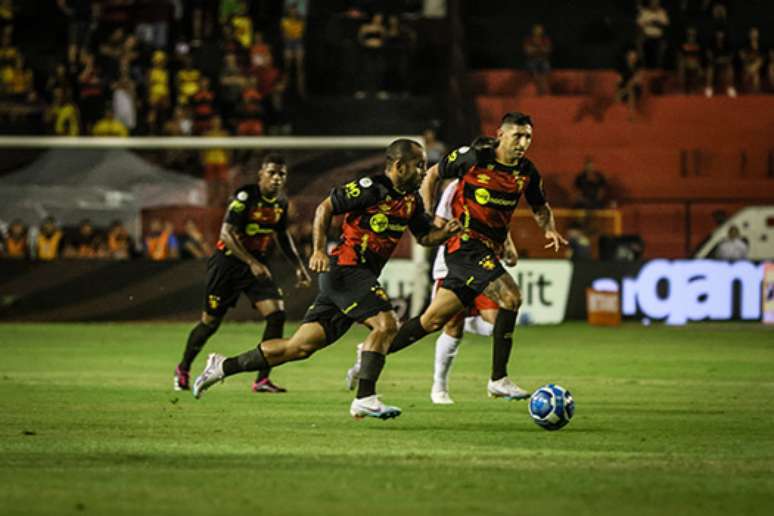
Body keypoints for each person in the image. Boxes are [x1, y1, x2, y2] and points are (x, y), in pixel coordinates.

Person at [191, 140, 462, 419]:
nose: (424, 171)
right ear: (398, 166)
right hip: (345, 270)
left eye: (425, 165)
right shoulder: (371, 188)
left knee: (298, 348)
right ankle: (365, 398)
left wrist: (448, 232)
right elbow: (324, 208)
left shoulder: (412, 200)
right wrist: (319, 249)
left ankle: (222, 366)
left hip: (357, 276)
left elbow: (425, 237)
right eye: (419, 165)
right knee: (386, 323)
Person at [348, 113, 567, 402]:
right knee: (511, 298)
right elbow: (433, 174)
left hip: (488, 249)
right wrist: (424, 213)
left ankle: (367, 355)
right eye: (517, 136)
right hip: (465, 246)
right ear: (500, 134)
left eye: (527, 136)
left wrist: (549, 229)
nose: (523, 142)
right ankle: (498, 379)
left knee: (431, 321)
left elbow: (540, 206)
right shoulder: (474, 157)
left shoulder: (527, 171)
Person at [176, 154, 313, 394]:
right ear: (261, 174)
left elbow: (282, 236)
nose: (276, 178)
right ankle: (183, 368)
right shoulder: (245, 197)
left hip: (255, 266)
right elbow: (226, 235)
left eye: (281, 174)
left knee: (277, 314)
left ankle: (262, 379)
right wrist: (251, 261)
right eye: (271, 173)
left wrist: (299, 266)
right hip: (227, 265)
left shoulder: (280, 203)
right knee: (210, 323)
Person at [636, 0, 669, 68]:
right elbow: (639, 24)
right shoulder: (644, 12)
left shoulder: (662, 12)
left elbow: (665, 24)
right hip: (647, 38)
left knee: (659, 60)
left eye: (656, 2)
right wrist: (650, 22)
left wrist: (656, 23)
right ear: (650, 2)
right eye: (653, 2)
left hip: (658, 39)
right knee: (646, 59)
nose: (655, 4)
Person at [522, 23, 552, 95]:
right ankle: (541, 87)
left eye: (539, 31)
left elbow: (548, 49)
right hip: (532, 60)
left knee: (546, 67)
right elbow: (527, 50)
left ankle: (542, 87)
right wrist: (539, 49)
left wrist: (536, 49)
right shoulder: (529, 39)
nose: (538, 32)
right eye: (536, 30)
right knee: (532, 68)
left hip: (543, 60)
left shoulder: (545, 39)